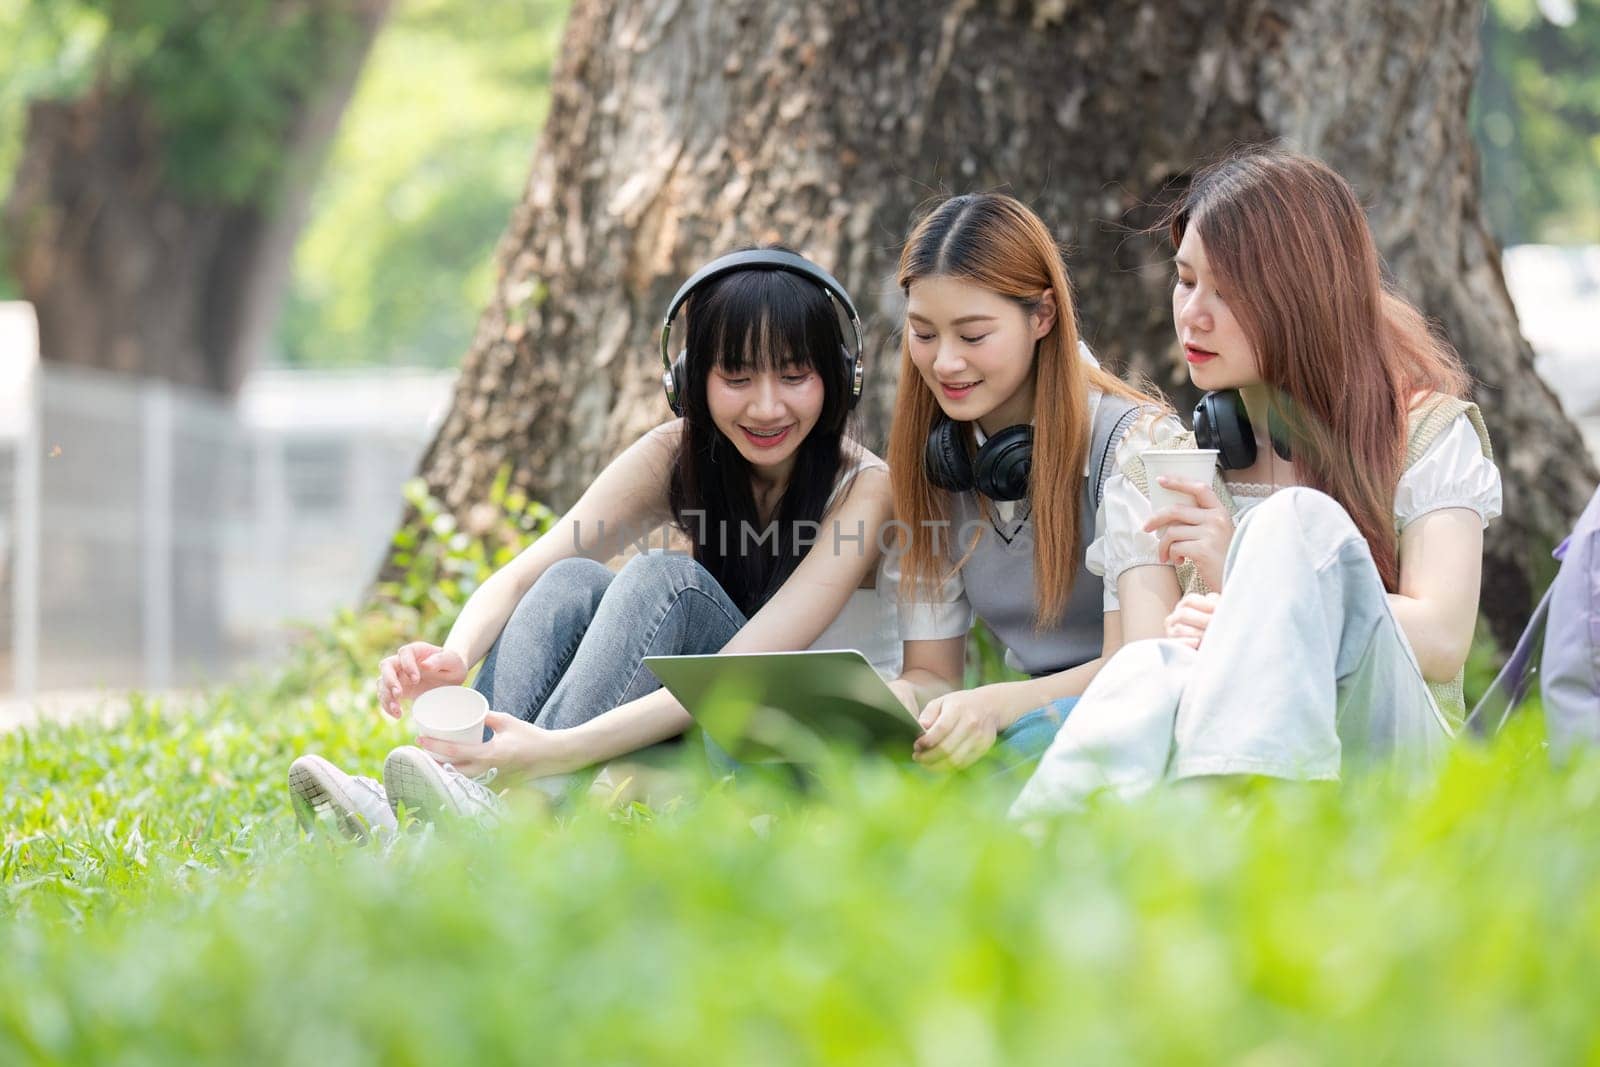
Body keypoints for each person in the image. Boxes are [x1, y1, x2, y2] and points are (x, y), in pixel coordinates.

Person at [288, 248, 898, 838]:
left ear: (841, 380)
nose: (767, 406)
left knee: (670, 582)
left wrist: (554, 751)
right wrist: (454, 655)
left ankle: (497, 807)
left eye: (794, 376)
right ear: (690, 381)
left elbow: (739, 671)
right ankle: (444, 810)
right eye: (736, 377)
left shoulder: (863, 489)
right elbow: (527, 572)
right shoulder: (676, 455)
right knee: (570, 580)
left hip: (801, 749)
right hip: (698, 722)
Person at [1011, 149, 1503, 817]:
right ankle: (1038, 860)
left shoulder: (1425, 431)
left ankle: (1226, 845)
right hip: (1219, 748)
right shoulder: (1179, 464)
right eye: (1186, 281)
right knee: (1142, 669)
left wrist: (1248, 580)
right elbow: (1165, 663)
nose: (1194, 315)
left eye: (1229, 291)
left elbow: (1444, 642)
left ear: (1301, 297)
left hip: (1398, 772)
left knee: (1294, 523)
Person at [878, 193, 1179, 777]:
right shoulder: (938, 461)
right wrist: (901, 701)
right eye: (923, 334)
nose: (943, 363)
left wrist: (994, 705)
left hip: (1132, 715)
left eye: (972, 336)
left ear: (1042, 316)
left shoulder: (1134, 445)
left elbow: (1142, 667)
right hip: (1027, 717)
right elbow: (934, 675)